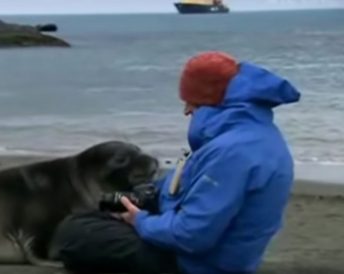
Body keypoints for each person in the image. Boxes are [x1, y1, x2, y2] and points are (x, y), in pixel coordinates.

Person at [50, 51, 301, 274]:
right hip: (213, 254)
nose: (186, 111)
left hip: (200, 263)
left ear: (209, 100)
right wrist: (147, 195)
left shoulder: (233, 153)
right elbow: (190, 192)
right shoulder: (249, 136)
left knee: (77, 232)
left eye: (190, 101)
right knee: (98, 215)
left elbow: (191, 235)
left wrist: (140, 221)